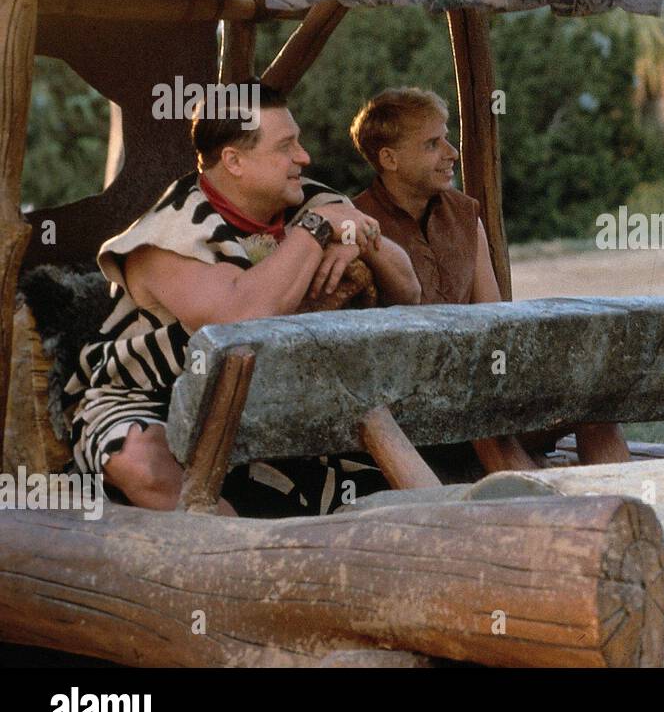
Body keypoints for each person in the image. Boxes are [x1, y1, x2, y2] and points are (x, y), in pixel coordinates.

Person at [64, 81, 421, 514]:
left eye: (299, 142)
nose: (303, 157)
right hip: (150, 394)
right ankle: (245, 558)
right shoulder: (164, 236)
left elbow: (408, 289)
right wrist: (318, 231)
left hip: (277, 393)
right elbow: (238, 321)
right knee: (144, 466)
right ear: (233, 160)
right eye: (285, 147)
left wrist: (362, 241)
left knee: (380, 479)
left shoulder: (309, 199)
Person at [350, 87, 629, 467]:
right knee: (486, 427)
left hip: (481, 389)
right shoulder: (357, 224)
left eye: (447, 137)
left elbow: (495, 320)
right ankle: (544, 519)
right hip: (410, 416)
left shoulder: (465, 214)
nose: (452, 153)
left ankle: (624, 513)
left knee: (595, 409)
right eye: (433, 144)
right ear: (389, 158)